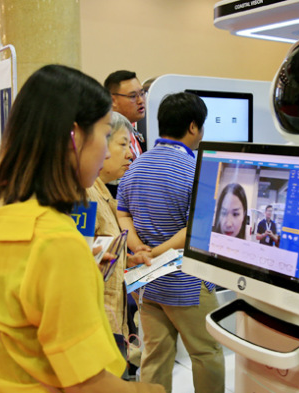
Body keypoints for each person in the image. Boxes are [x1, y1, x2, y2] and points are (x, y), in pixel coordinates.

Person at [0, 65, 164, 393]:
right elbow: (89, 386)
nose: (108, 151)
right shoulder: (57, 239)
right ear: (73, 135)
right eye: (105, 134)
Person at [117, 92, 225, 393]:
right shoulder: (197, 170)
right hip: (186, 282)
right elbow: (196, 227)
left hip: (147, 281)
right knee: (206, 353)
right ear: (193, 127)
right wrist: (160, 251)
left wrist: (139, 248)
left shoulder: (135, 167)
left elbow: (122, 213)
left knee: (155, 353)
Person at [86, 111, 149, 379]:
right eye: (122, 145)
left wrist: (123, 259)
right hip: (95, 327)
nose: (130, 155)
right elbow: (79, 265)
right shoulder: (84, 196)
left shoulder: (100, 190)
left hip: (111, 321)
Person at [104, 70, 147, 158]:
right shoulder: (105, 134)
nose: (141, 101)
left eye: (142, 94)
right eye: (133, 96)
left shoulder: (137, 133)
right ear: (113, 100)